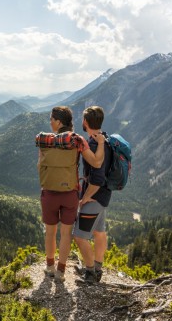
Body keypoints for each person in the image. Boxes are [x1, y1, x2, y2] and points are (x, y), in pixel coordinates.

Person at [35, 106, 105, 282]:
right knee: (66, 234)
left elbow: (39, 166)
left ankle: (49, 266)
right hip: (69, 194)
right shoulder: (77, 140)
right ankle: (60, 271)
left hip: (49, 193)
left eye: (52, 119)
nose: (50, 122)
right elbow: (96, 163)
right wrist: (102, 143)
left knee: (50, 232)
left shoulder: (44, 140)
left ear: (59, 122)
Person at [73, 106, 112, 283]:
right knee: (99, 232)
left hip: (95, 196)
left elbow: (97, 177)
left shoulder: (94, 144)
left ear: (85, 122)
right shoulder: (105, 140)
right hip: (104, 196)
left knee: (80, 237)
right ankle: (97, 268)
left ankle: (90, 274)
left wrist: (85, 197)